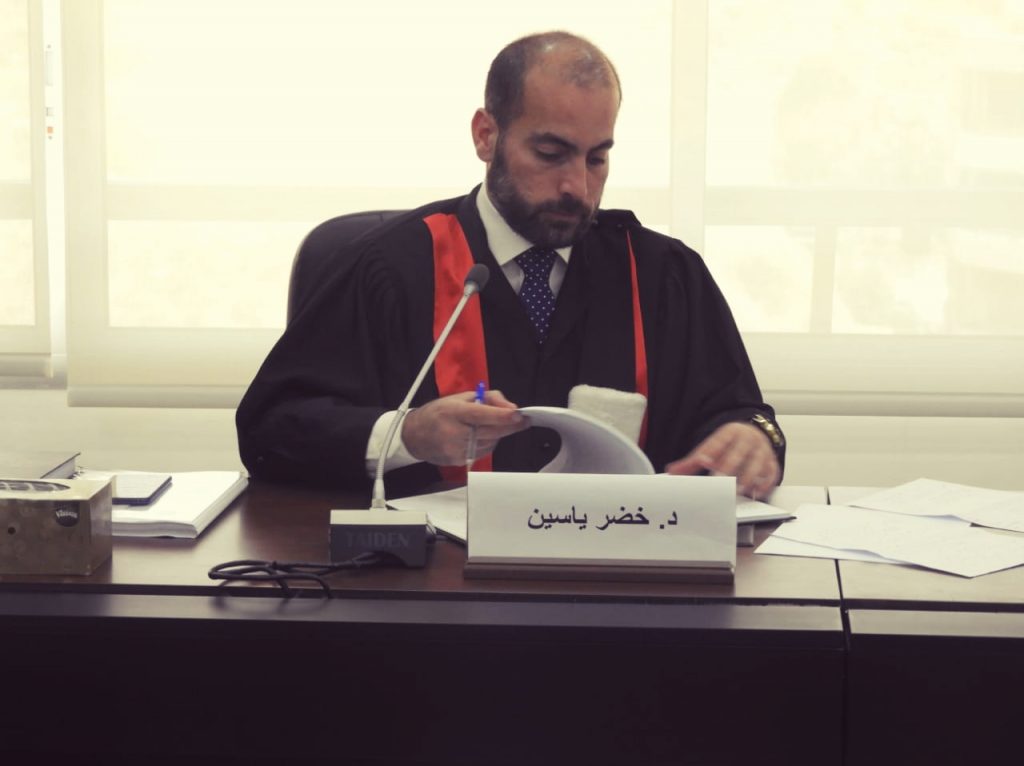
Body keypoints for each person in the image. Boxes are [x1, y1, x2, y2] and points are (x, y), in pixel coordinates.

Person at [236, 31, 785, 497]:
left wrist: (751, 439)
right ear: (486, 135)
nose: (577, 187)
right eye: (550, 154)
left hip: (620, 575)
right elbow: (270, 430)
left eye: (597, 158)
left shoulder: (663, 275)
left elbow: (739, 413)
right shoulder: (391, 266)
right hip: (432, 581)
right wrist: (407, 434)